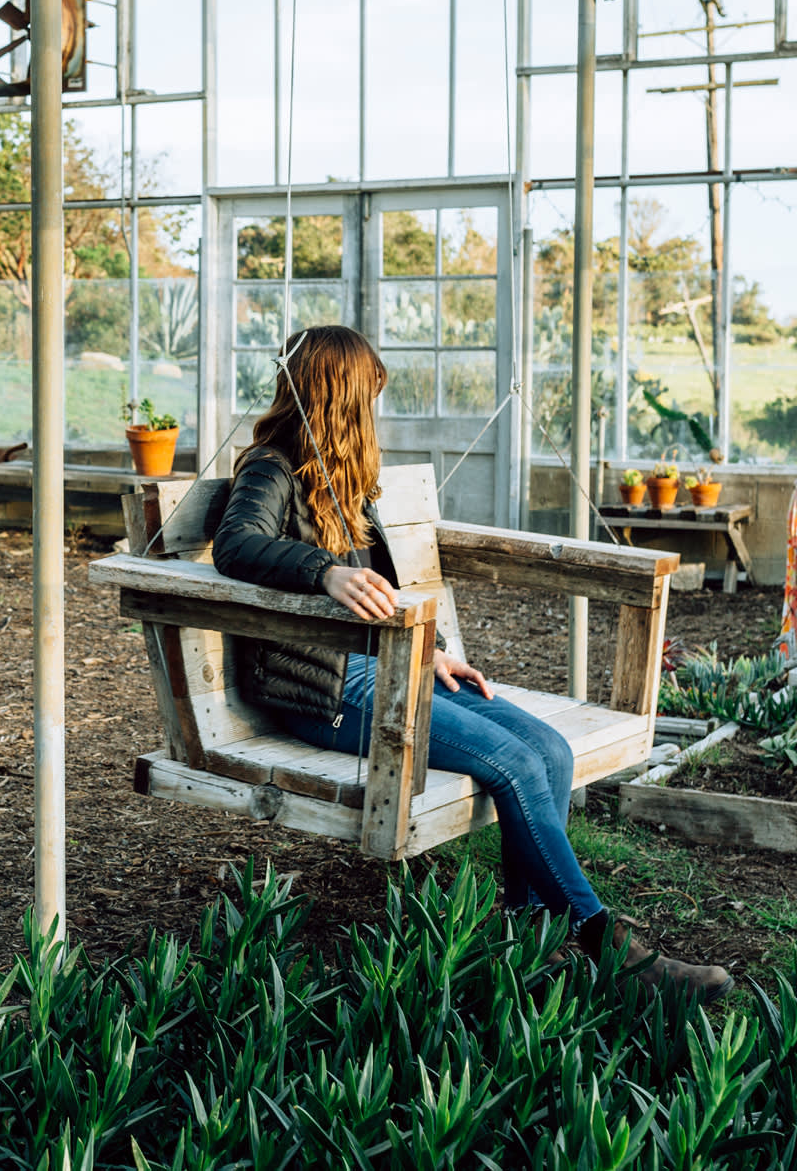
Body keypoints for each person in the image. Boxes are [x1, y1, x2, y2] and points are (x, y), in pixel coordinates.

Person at [211, 325, 730, 1000]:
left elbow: (384, 598)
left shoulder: (343, 479)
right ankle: (611, 949)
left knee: (549, 751)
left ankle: (530, 940)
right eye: (368, 395)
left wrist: (430, 656)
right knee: (513, 764)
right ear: (338, 395)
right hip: (322, 689)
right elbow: (235, 544)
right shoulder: (270, 467)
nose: (374, 411)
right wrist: (324, 572)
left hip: (389, 668)